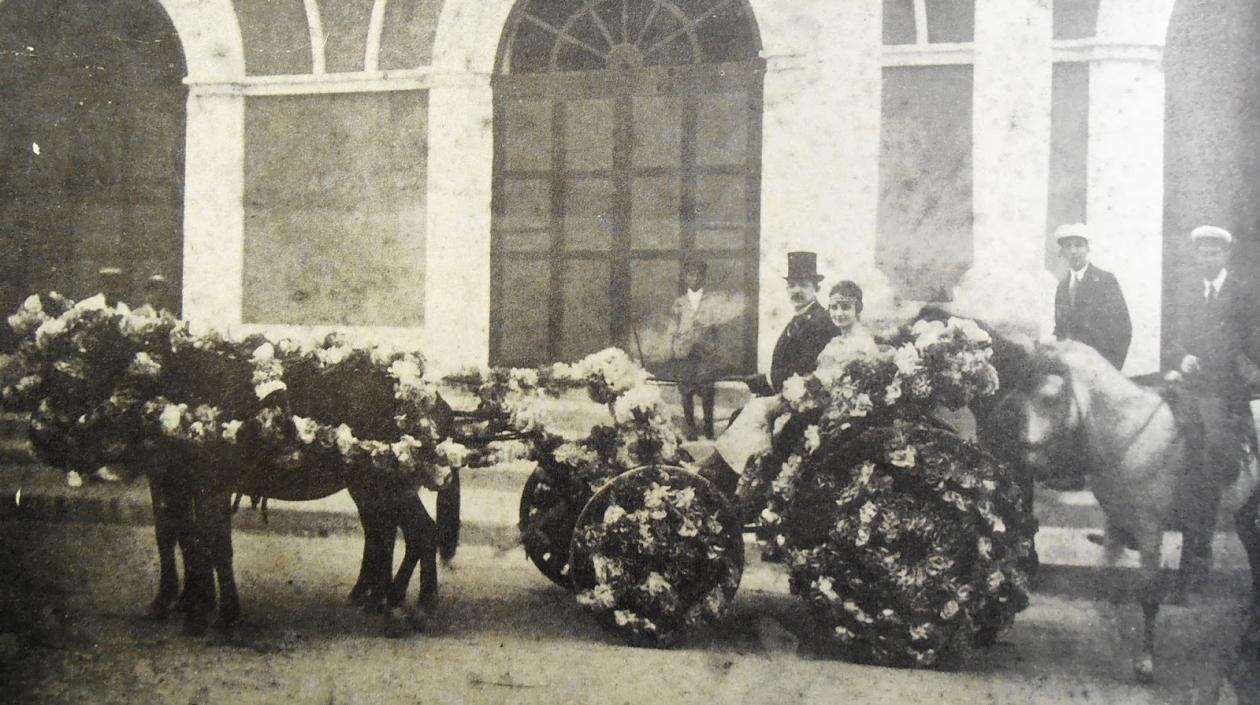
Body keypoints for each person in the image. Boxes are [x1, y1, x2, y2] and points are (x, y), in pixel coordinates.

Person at [702, 277, 873, 496]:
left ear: (858, 308)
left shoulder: (859, 342)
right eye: (835, 307)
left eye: (846, 307)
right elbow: (813, 374)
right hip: (813, 399)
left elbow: (843, 383)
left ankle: (732, 483)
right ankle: (722, 479)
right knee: (754, 414)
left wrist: (801, 391)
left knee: (763, 417)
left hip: (837, 410)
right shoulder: (835, 340)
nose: (839, 313)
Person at [1166, 224, 1260, 587]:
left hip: (1225, 394)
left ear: (1226, 255)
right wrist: (1182, 357)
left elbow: (1253, 341)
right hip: (1189, 388)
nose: (1208, 257)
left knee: (1208, 462)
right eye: (1202, 252)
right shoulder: (1188, 292)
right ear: (1195, 255)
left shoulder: (1242, 293)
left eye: (1214, 252)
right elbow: (1172, 340)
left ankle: (1198, 550)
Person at [743, 251, 838, 396]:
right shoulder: (799, 318)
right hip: (788, 394)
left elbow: (805, 368)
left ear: (816, 289)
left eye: (803, 285)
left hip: (805, 398)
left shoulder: (820, 321)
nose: (796, 290)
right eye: (792, 285)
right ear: (787, 289)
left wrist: (766, 380)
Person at [1052, 223, 1132, 370]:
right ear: (1062, 252)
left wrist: (1112, 368)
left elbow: (1123, 328)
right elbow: (1061, 331)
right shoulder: (1062, 287)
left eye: (1079, 245)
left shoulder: (1105, 280)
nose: (1073, 251)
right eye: (1068, 246)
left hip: (1101, 367)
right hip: (1073, 369)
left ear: (1088, 248)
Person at [666, 260, 721, 440]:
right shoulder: (679, 303)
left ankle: (708, 427)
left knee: (707, 390)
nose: (694, 278)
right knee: (686, 391)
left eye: (698, 274)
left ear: (703, 277)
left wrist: (713, 348)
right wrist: (673, 348)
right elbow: (673, 327)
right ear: (685, 277)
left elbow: (716, 328)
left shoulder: (711, 301)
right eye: (690, 274)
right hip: (684, 351)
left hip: (705, 351)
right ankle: (690, 428)